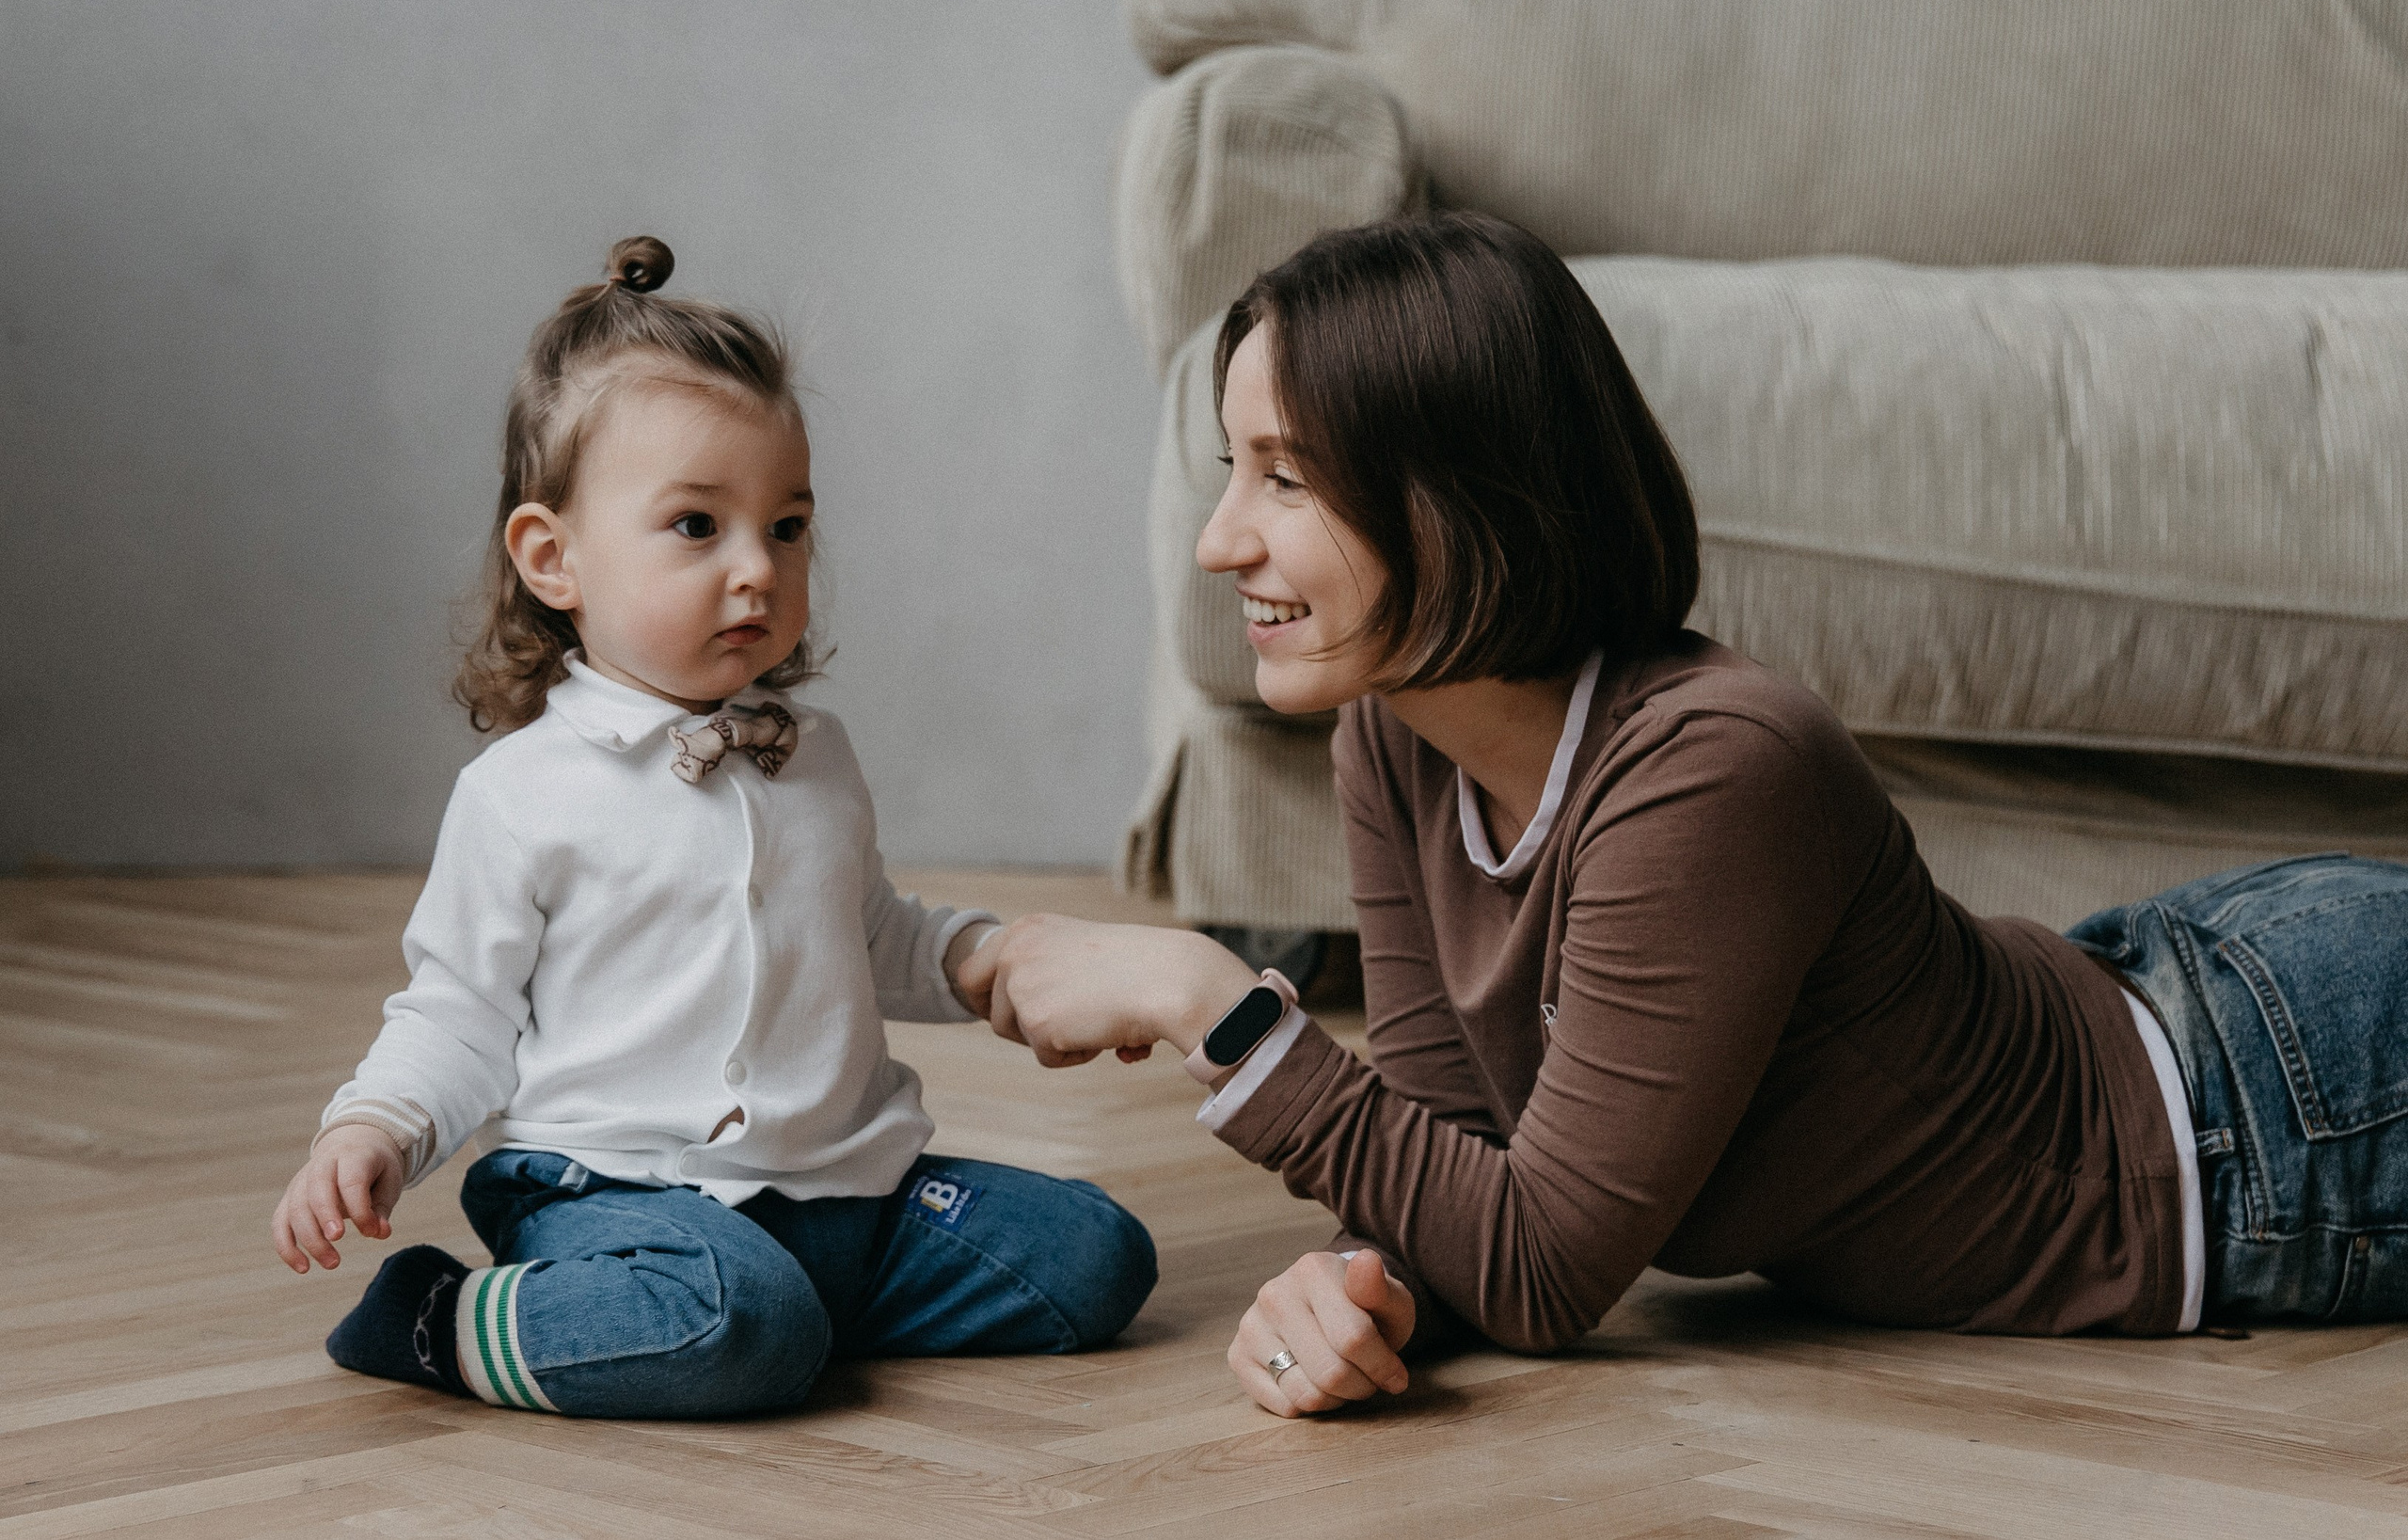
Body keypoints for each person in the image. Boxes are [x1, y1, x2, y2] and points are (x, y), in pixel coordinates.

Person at [957, 211, 2408, 1419]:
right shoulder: (1394, 732)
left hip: (2283, 1123)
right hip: (2186, 985)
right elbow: (1445, 1136)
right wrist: (1368, 1280)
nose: (1222, 538)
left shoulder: (1717, 766)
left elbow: (1543, 1270)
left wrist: (1212, 999)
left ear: (1461, 499)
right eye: (1233, 468)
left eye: (1284, 474)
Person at [269, 237, 1154, 1418]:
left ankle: (735, 1316)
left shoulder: (816, 755)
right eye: (697, 525)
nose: (758, 569)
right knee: (743, 1313)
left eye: (786, 527)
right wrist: (373, 1124)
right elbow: (457, 1011)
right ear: (554, 556)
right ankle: (447, 1317)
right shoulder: (522, 792)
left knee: (1094, 1253)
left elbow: (869, 932)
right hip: (616, 1186)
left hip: (847, 1186)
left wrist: (986, 959)